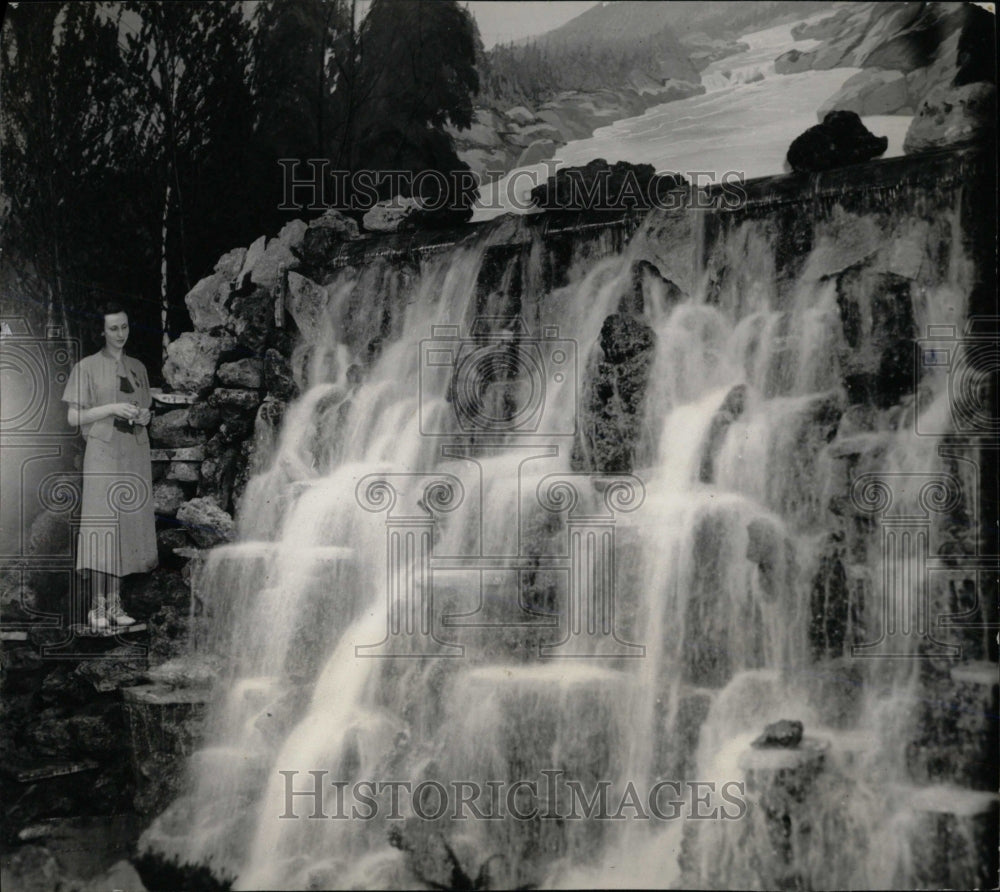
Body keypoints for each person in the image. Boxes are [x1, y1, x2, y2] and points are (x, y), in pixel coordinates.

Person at [62, 302, 157, 630]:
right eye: (114, 328)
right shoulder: (86, 368)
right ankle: (96, 607)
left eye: (125, 327)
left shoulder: (139, 367)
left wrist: (145, 415)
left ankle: (116, 604)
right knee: (102, 524)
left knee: (125, 525)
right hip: (102, 453)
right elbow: (74, 417)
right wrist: (111, 407)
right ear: (101, 331)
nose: (120, 334)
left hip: (132, 452)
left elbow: (144, 408)